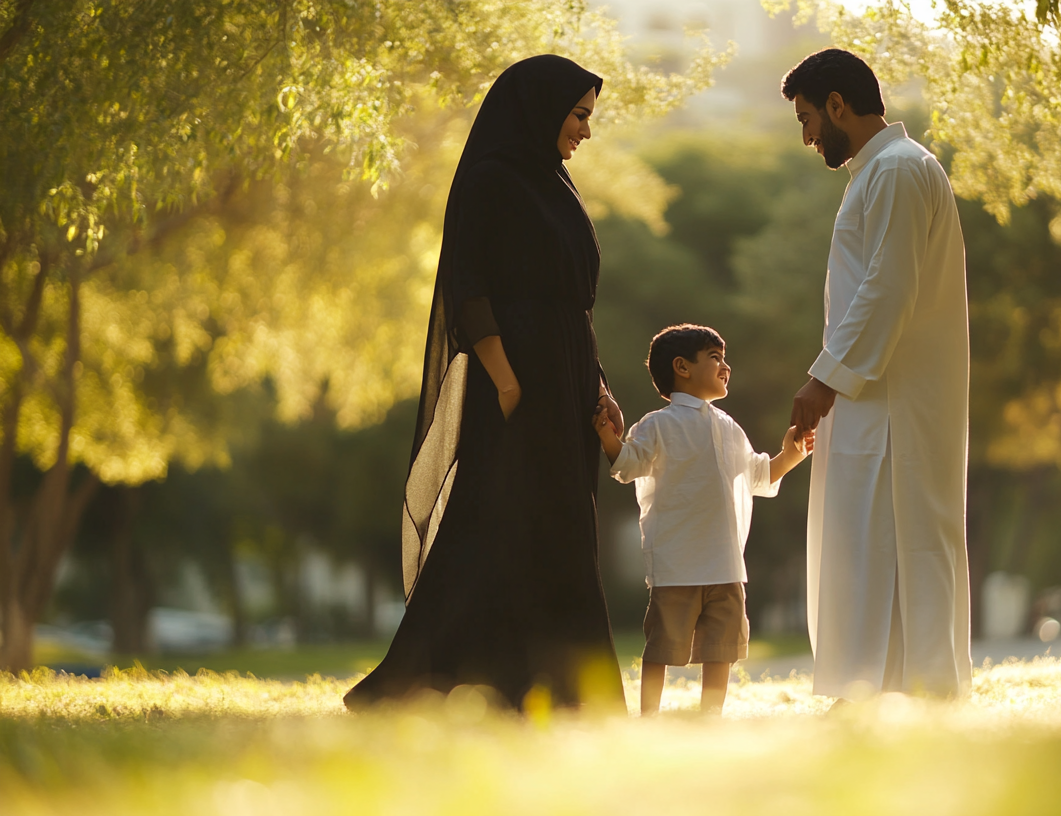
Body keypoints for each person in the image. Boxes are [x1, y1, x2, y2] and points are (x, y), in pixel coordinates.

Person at [345, 55, 627, 712]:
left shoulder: (554, 182)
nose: (586, 131)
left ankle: (560, 685)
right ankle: (428, 680)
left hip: (565, 378)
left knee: (558, 528)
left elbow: (571, 302)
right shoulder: (491, 180)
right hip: (518, 380)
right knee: (494, 524)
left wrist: (599, 383)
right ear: (541, 108)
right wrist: (505, 381)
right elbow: (469, 289)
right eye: (580, 115)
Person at [781, 49, 972, 700]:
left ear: (838, 105)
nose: (807, 136)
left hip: (894, 400)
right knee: (870, 541)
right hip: (876, 393)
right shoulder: (882, 170)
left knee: (898, 539)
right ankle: (874, 691)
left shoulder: (895, 171)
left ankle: (914, 692)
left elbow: (888, 288)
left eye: (807, 118)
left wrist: (825, 378)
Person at [594, 325, 813, 715]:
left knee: (721, 646)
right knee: (663, 644)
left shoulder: (729, 427)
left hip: (726, 563)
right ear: (682, 367)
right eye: (715, 358)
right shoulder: (658, 424)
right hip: (677, 562)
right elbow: (627, 465)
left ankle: (710, 715)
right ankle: (649, 716)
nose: (726, 367)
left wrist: (792, 453)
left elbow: (759, 476)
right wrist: (609, 438)